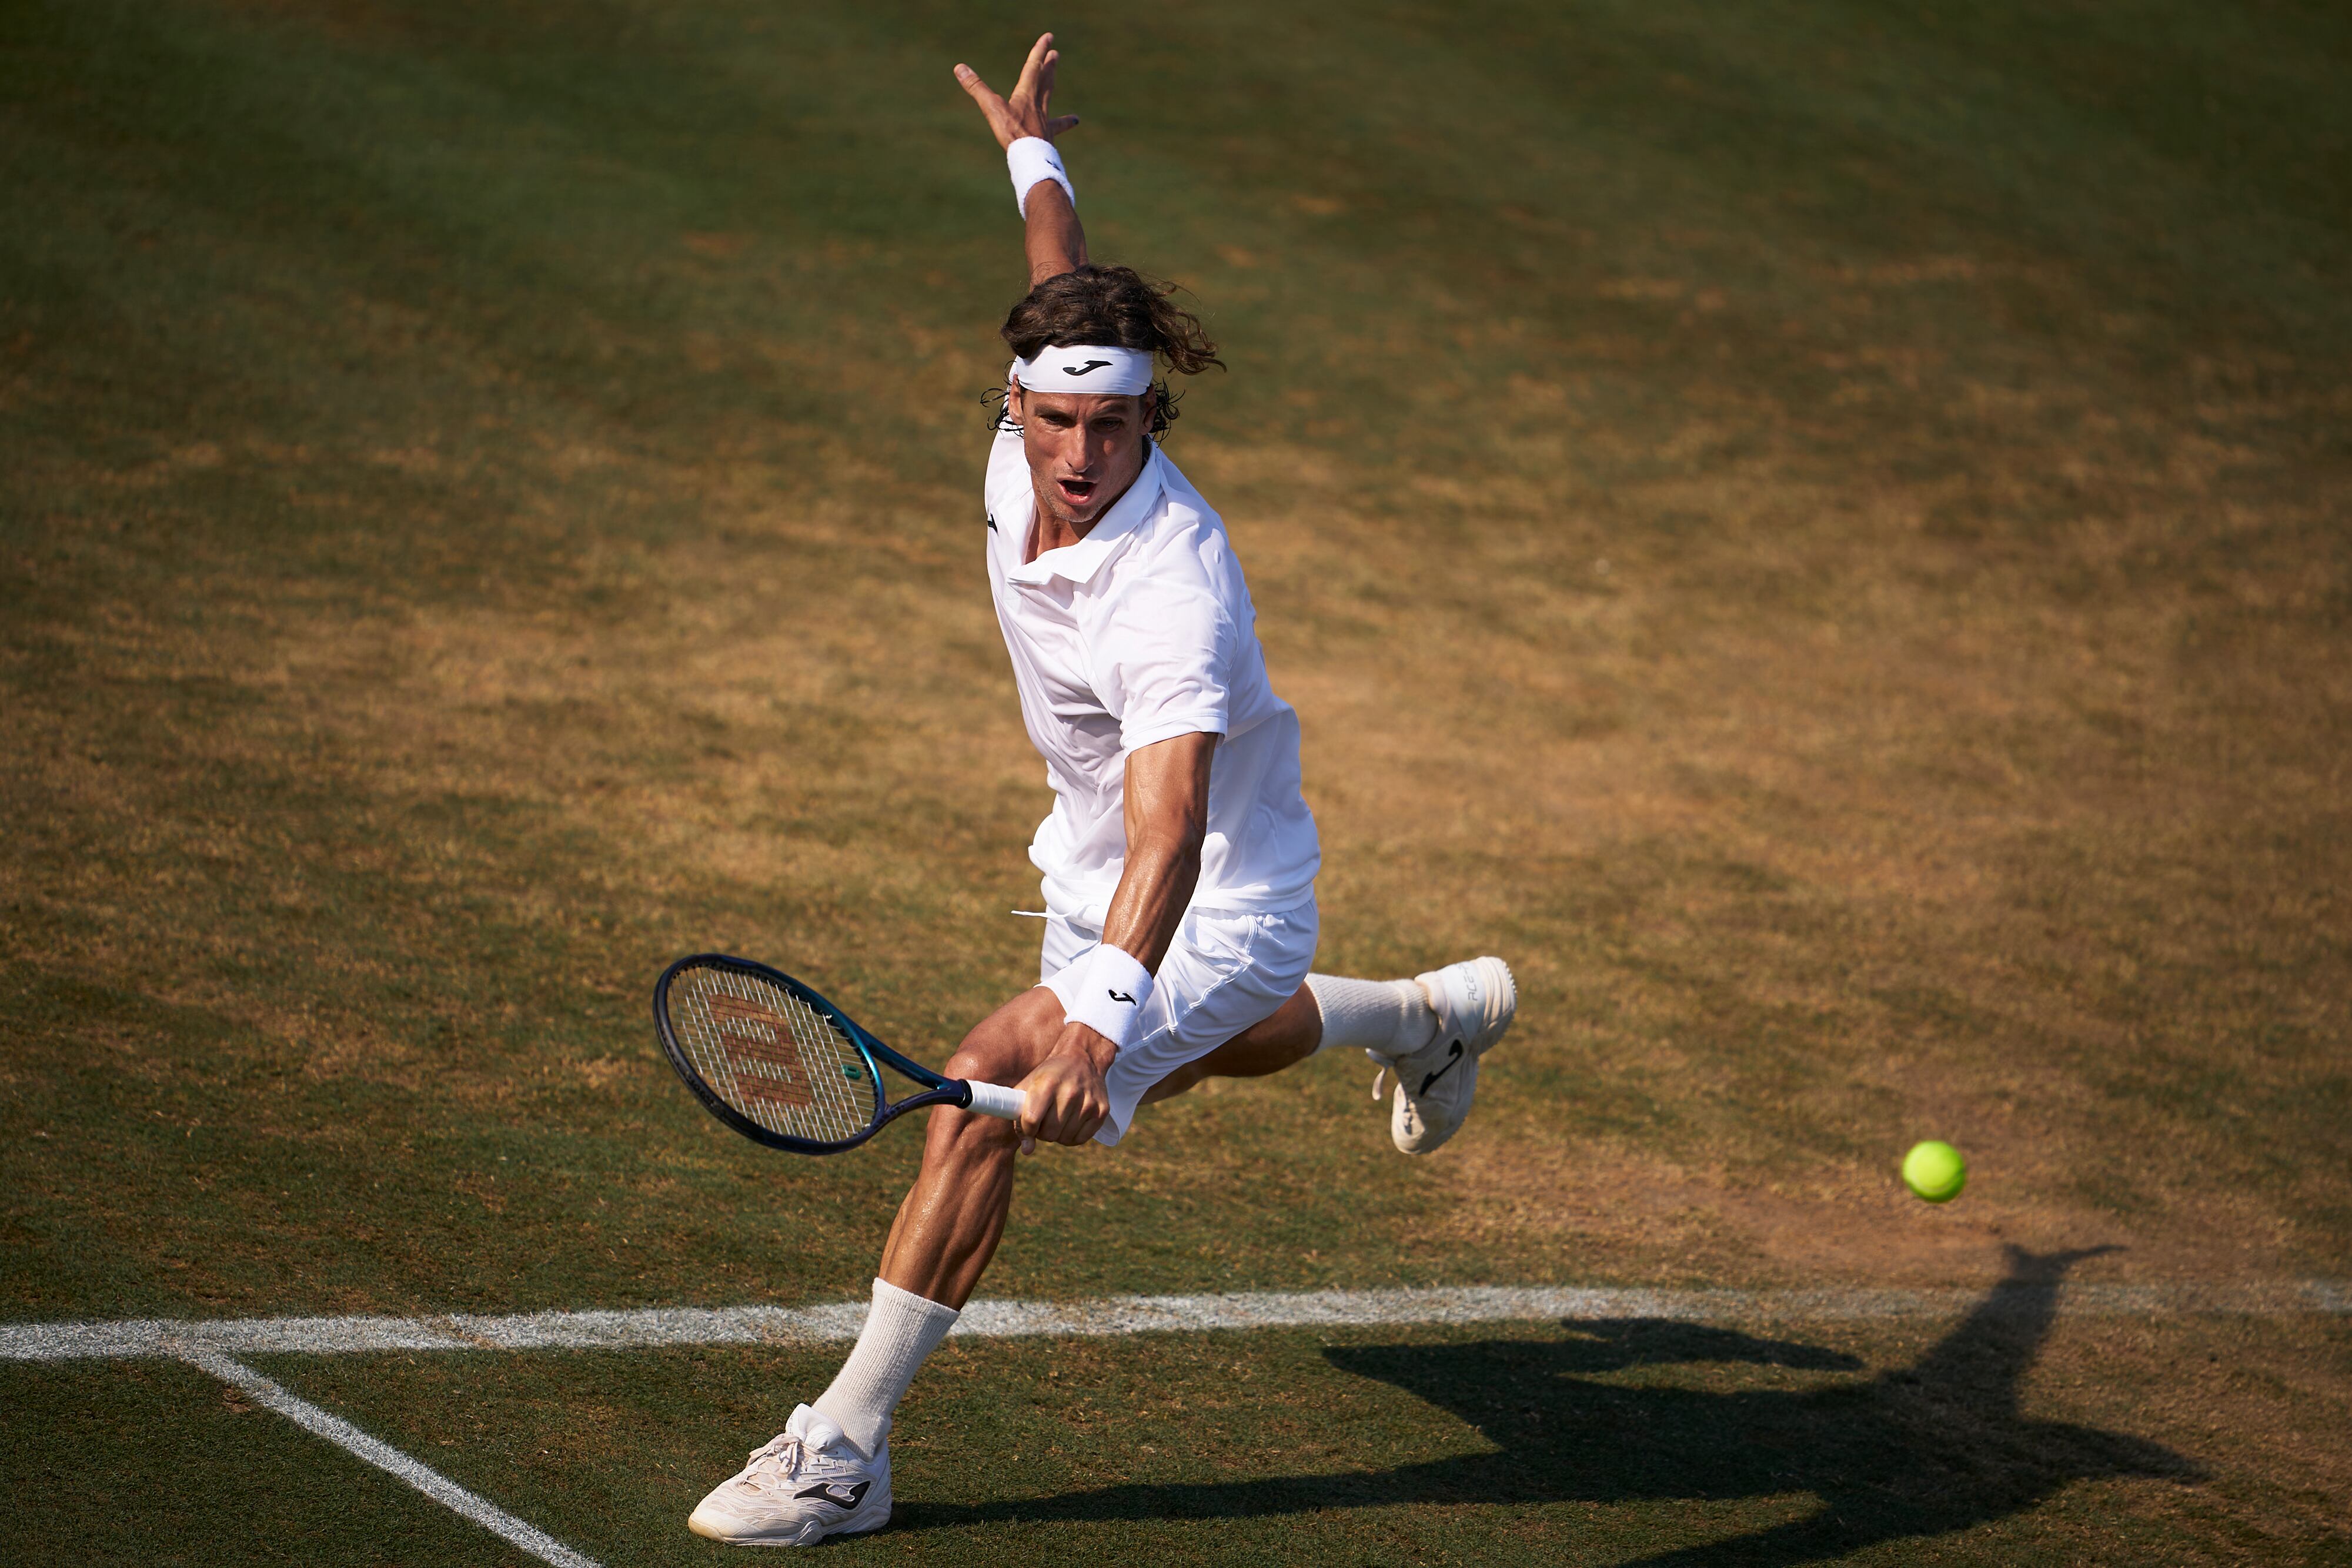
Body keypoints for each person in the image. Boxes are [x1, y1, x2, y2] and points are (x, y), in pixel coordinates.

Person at [687, 33, 1515, 1546]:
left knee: (992, 1091)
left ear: (1152, 421)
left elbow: (1172, 829)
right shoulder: (1036, 422)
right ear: (1013, 398)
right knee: (1177, 1066)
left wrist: (1096, 1013)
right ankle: (1425, 1014)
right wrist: (1033, 158)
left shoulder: (1170, 594)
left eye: (1112, 426)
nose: (1078, 455)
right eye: (1054, 419)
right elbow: (1062, 275)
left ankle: (842, 1447)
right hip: (1099, 862)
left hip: (1213, 888)